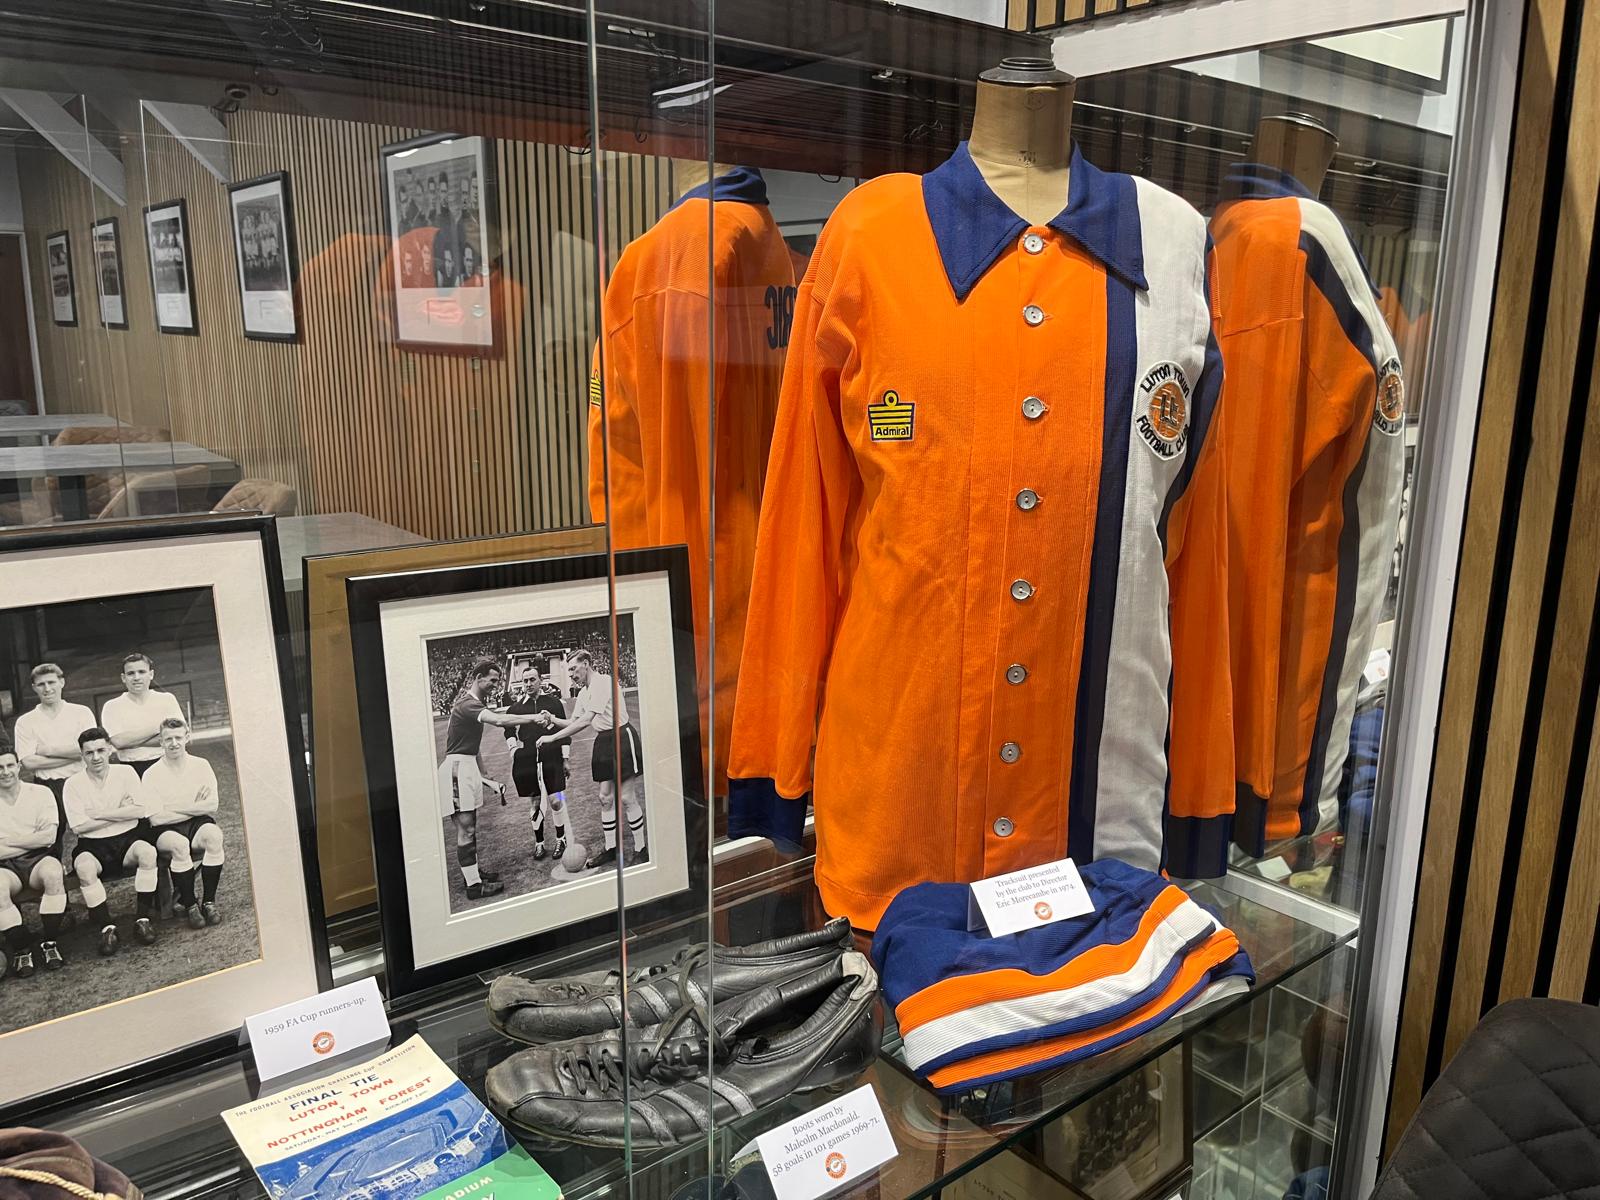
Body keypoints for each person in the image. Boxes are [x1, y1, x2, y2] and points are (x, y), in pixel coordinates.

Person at [438, 659, 547, 900]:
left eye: (497, 681)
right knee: (466, 830)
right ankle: (473, 886)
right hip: (457, 769)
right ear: (478, 677)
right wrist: (533, 717)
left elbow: (473, 747)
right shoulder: (467, 704)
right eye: (493, 680)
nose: (495, 686)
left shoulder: (474, 704)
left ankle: (475, 874)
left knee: (471, 828)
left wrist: (484, 774)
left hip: (466, 767)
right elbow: (500, 720)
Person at [537, 650, 647, 871]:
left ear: (586, 664)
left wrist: (551, 738)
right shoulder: (583, 692)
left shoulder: (603, 682)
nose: (571, 675)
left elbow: (587, 720)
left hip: (621, 738)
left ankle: (641, 848)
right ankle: (611, 849)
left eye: (573, 669)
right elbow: (573, 721)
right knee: (605, 798)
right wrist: (552, 718)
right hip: (603, 742)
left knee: (626, 797)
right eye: (568, 671)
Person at [65, 727, 158, 956]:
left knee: (148, 853)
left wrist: (98, 813)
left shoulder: (125, 773)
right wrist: (119, 810)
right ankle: (107, 928)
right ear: (82, 755)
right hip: (92, 845)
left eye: (100, 750)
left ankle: (142, 919)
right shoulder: (73, 784)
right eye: (89, 753)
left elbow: (139, 810)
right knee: (84, 868)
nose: (96, 757)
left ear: (110, 749)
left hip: (128, 839)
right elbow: (79, 827)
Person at [140, 718, 224, 930]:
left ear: (187, 737)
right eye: (168, 739)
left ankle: (209, 902)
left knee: (214, 837)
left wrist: (173, 807)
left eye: (178, 737)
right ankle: (190, 905)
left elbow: (212, 805)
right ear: (161, 741)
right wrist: (193, 805)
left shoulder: (201, 765)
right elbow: (156, 818)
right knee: (179, 845)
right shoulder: (151, 774)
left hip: (197, 824)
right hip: (165, 830)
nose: (174, 743)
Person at [11, 662, 95, 866]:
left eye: (51, 682)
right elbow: (29, 761)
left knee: (91, 832)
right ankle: (56, 890)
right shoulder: (26, 721)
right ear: (34, 687)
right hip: (47, 786)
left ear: (62, 682)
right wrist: (75, 752)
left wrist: (47, 750)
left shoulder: (81, 712)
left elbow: (90, 749)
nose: (47, 688)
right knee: (50, 841)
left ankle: (91, 881)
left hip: (80, 782)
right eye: (41, 684)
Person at [0, 744, 68, 978]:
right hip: (5, 867)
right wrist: (31, 839)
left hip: (38, 859)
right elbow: (38, 837)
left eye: (10, 765)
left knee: (53, 873)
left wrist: (8, 841)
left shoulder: (40, 793)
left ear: (19, 767)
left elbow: (48, 838)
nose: (5, 771)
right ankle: (21, 950)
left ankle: (49, 943)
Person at [504, 675, 570, 861]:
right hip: (527, 759)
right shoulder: (515, 708)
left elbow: (564, 732)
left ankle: (561, 839)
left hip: (552, 755)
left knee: (556, 800)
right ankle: (539, 843)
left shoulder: (554, 703)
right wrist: (513, 749)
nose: (528, 684)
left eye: (532, 679)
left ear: (540, 681)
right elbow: (508, 730)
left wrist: (565, 758)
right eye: (525, 681)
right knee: (534, 802)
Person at [100, 653, 185, 776]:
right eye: (130, 673)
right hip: (131, 769)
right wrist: (159, 727)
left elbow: (177, 736)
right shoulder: (112, 706)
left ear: (151, 674)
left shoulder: (167, 699)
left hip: (166, 763)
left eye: (141, 672)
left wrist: (130, 742)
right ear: (123, 678)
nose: (136, 677)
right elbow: (118, 742)